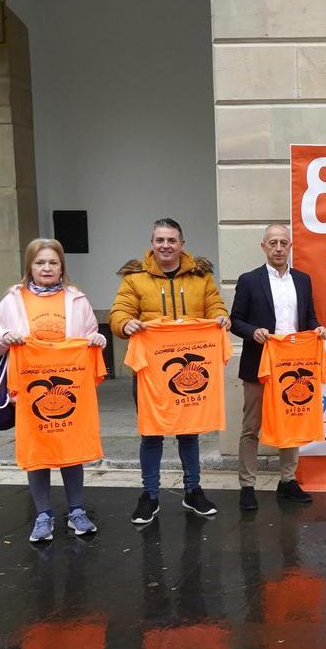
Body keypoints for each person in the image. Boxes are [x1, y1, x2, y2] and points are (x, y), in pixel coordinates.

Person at [0, 238, 107, 541]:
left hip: (69, 391)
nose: (47, 268)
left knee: (71, 450)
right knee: (36, 450)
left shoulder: (77, 299)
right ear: (30, 266)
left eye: (53, 262)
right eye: (40, 263)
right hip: (30, 391)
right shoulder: (13, 300)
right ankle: (43, 515)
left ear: (62, 265)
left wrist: (97, 341)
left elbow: (91, 333)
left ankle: (76, 511)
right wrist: (4, 338)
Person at [110, 218, 230, 523]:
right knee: (151, 434)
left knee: (189, 433)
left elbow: (215, 306)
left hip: (191, 370)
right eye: (160, 240)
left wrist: (220, 319)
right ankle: (149, 495)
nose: (166, 245)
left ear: (182, 244)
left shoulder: (201, 278)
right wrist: (126, 324)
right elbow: (119, 312)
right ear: (152, 243)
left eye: (171, 240)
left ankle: (193, 491)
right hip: (151, 371)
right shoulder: (134, 278)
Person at [230, 224, 326, 510]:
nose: (278, 248)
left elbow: (308, 318)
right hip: (258, 364)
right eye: (272, 243)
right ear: (263, 246)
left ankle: (287, 481)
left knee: (292, 422)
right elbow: (235, 320)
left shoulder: (303, 280)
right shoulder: (249, 280)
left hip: (294, 367)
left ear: (290, 247)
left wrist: (317, 330)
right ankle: (247, 485)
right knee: (251, 428)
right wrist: (253, 332)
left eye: (283, 243)